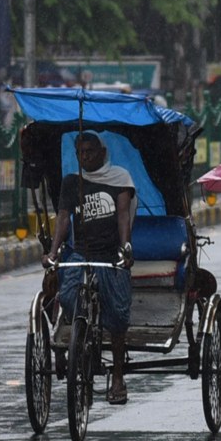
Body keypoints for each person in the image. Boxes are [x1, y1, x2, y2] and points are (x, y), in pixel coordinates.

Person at [43, 130, 136, 405]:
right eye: (80, 153)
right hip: (80, 253)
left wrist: (125, 248)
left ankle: (118, 375)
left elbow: (122, 215)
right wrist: (53, 252)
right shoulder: (72, 182)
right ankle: (82, 342)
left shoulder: (120, 179)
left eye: (90, 152)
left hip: (109, 254)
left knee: (118, 315)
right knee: (68, 295)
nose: (85, 157)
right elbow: (62, 219)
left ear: (103, 153)